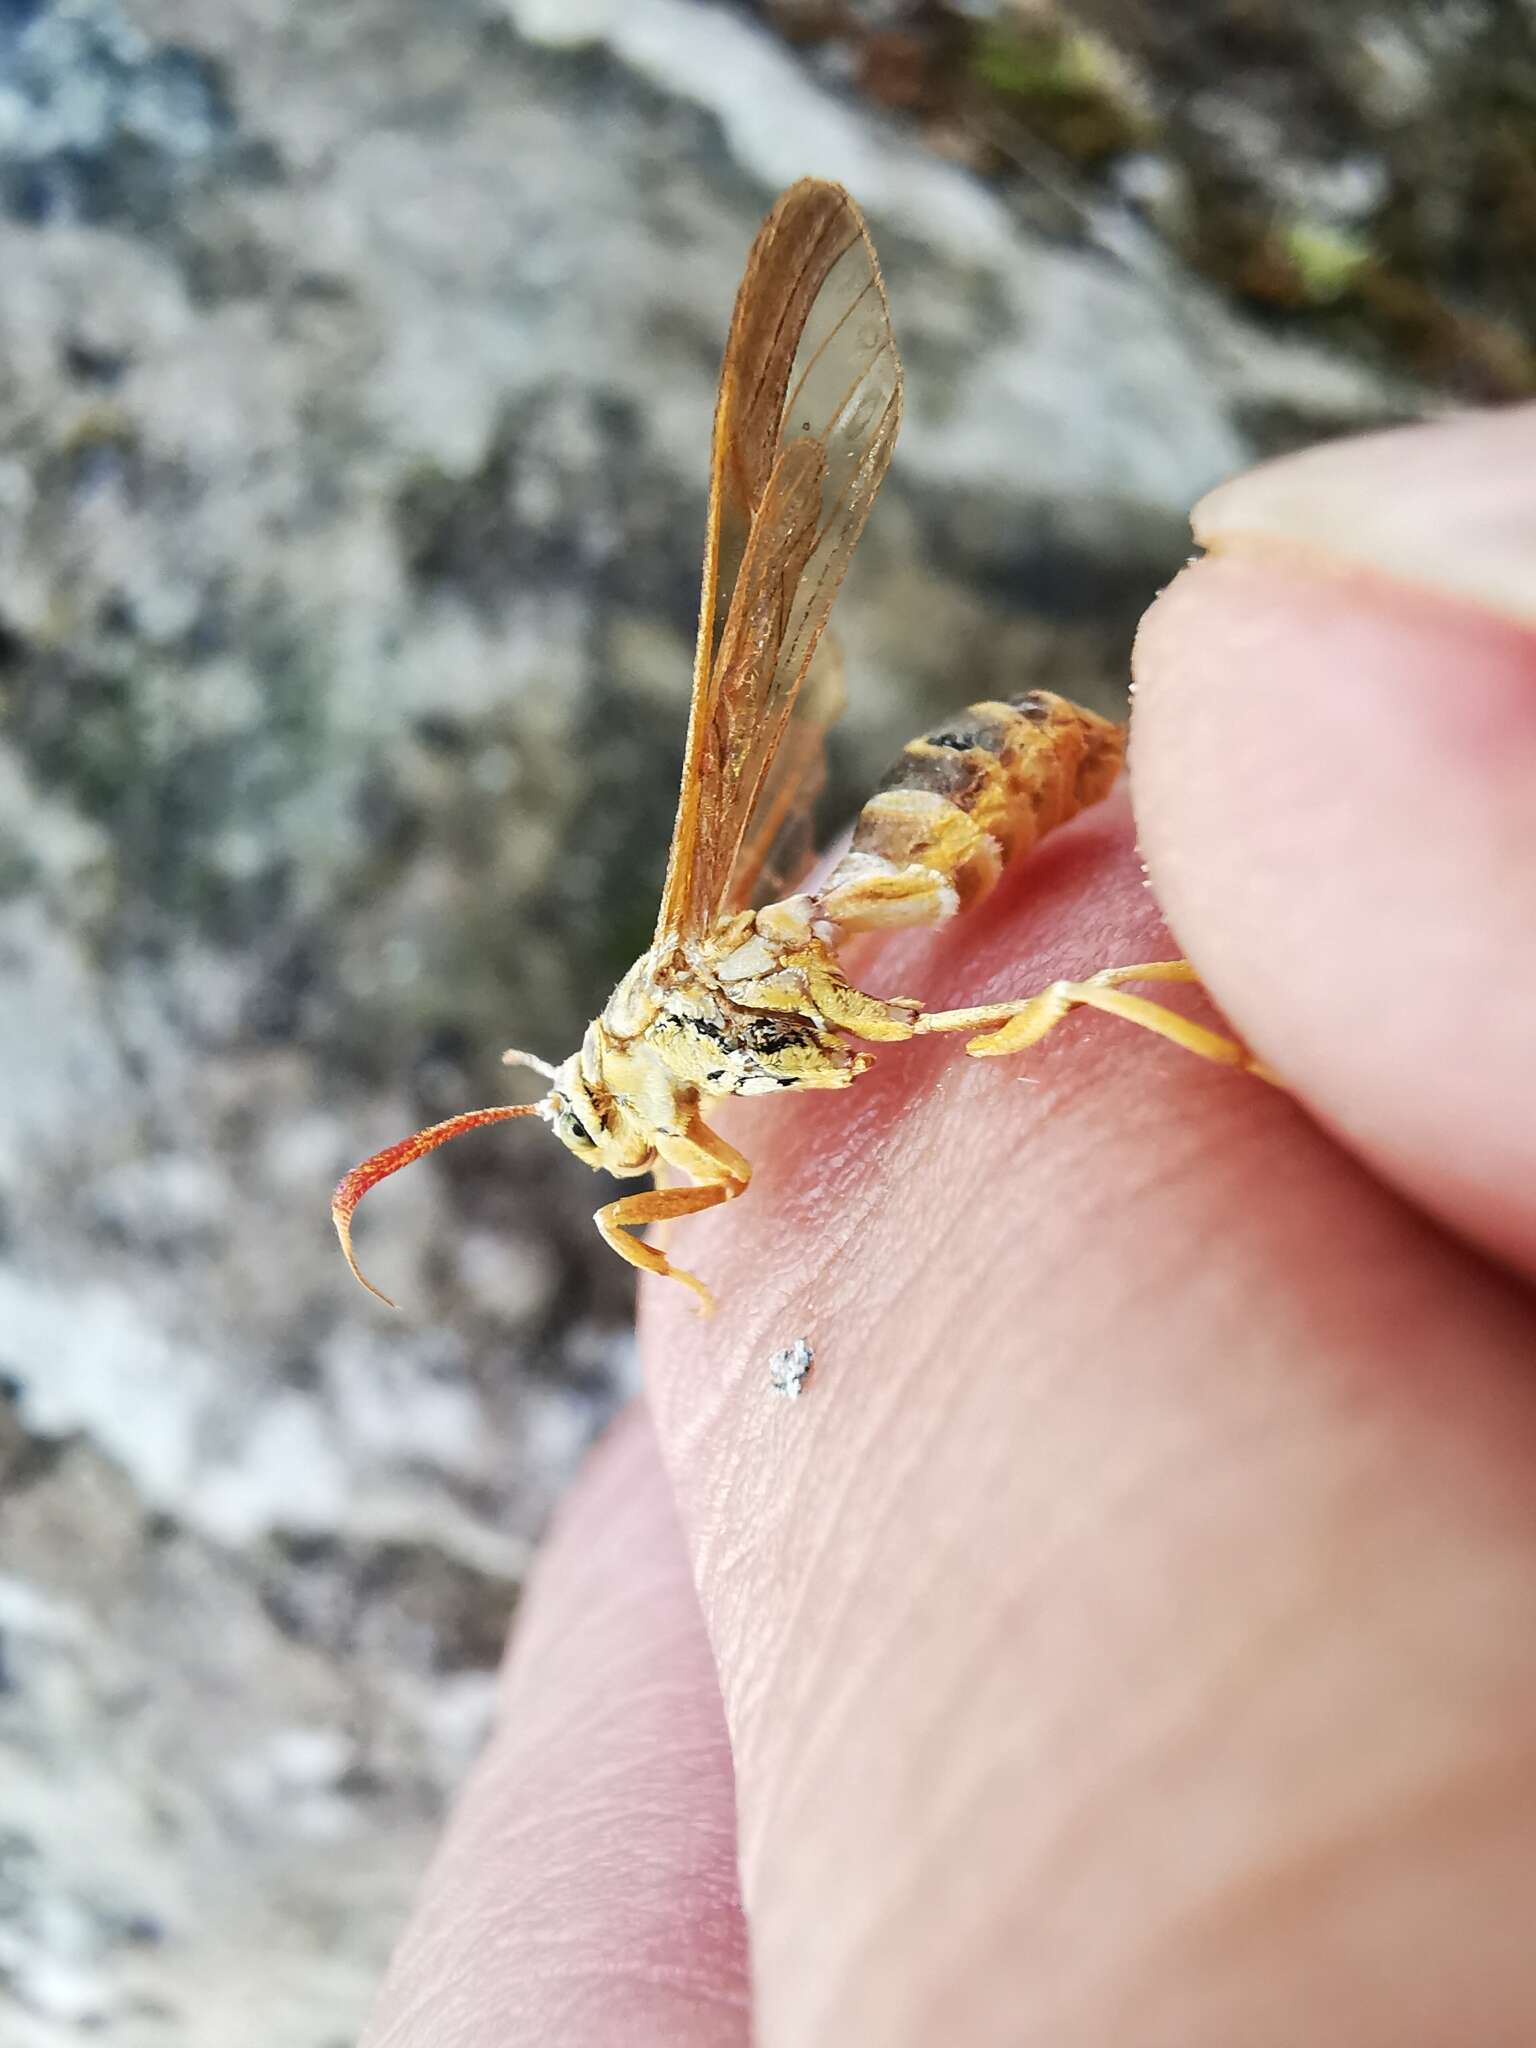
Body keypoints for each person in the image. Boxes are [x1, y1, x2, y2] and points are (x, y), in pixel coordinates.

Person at [362, 406, 1536, 2047]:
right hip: (960, 881)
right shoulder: (688, 1108)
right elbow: (683, 1203)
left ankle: (1237, 1024)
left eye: (593, 1118)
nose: (620, 1157)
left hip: (1001, 803)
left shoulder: (718, 1005)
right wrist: (690, 1255)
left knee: (1076, 1033)